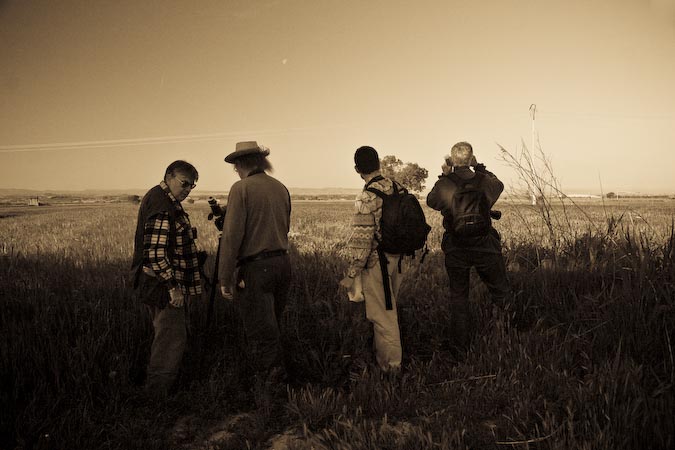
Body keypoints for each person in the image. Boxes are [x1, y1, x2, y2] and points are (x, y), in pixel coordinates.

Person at [218, 141, 292, 382]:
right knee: (273, 324)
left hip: (256, 268)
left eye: (236, 167)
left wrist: (225, 277)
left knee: (261, 332)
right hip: (282, 264)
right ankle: (278, 377)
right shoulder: (281, 187)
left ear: (240, 164)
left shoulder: (241, 188)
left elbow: (231, 237)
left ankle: (269, 387)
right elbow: (285, 227)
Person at [426, 141, 510, 351]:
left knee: (459, 297)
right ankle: (503, 337)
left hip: (456, 246)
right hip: (484, 244)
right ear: (471, 158)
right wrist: (480, 167)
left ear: (453, 160)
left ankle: (460, 347)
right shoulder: (485, 182)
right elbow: (499, 184)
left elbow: (431, 201)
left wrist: (444, 176)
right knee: (500, 291)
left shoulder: (446, 184)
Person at [130, 160, 202, 397]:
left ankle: (159, 389)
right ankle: (156, 396)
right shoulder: (163, 205)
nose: (187, 189)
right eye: (184, 183)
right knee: (170, 339)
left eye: (192, 186)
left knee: (167, 336)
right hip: (163, 287)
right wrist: (173, 288)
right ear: (169, 176)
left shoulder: (164, 199)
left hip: (156, 284)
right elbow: (155, 253)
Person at [340, 145, 405, 371]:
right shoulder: (397, 187)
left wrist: (351, 273)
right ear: (378, 163)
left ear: (357, 169)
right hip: (399, 259)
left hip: (378, 262)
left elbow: (362, 242)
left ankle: (391, 370)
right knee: (391, 310)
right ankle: (387, 362)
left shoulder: (366, 197)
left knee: (383, 317)